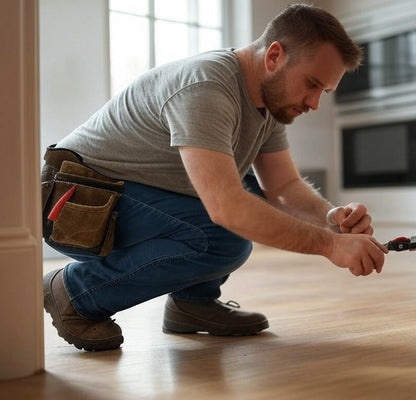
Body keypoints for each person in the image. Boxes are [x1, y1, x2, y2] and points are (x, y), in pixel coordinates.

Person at [42, 3, 388, 352]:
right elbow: (227, 209)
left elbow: (283, 188)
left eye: (323, 93)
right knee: (224, 233)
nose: (314, 103)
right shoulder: (207, 87)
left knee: (246, 190)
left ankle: (192, 303)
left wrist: (331, 219)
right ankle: (74, 293)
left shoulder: (270, 103)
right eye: (311, 85)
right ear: (274, 57)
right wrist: (330, 247)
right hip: (74, 200)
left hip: (118, 194)